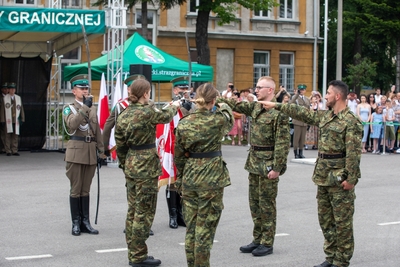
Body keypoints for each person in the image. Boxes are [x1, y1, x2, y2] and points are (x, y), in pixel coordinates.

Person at [259, 80, 362, 267]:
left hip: (339, 179)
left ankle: (341, 261)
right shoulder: (326, 116)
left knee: (342, 223)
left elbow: (354, 154)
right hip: (323, 177)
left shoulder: (350, 121)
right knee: (326, 221)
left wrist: (351, 179)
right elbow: (302, 113)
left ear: (337, 96)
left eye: (329, 93)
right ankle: (330, 256)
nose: (326, 96)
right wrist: (276, 105)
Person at [218, 76, 290, 257]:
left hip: (268, 164)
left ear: (270, 90)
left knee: (267, 204)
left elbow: (282, 143)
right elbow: (234, 105)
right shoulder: (255, 107)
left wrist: (277, 168)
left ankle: (267, 242)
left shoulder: (278, 113)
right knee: (255, 204)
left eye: (259, 87)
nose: (255, 90)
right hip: (254, 162)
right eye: (256, 87)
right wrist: (211, 97)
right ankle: (257, 238)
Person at [114, 79, 180, 267]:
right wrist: (175, 105)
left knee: (133, 210)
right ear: (145, 94)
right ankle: (138, 256)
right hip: (146, 167)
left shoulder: (124, 114)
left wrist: (125, 164)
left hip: (132, 164)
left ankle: (133, 251)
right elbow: (166, 116)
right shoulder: (147, 112)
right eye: (148, 92)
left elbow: (120, 145)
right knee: (145, 212)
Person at [174, 83, 233, 267]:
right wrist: (222, 102)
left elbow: (178, 156)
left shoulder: (184, 123)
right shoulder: (218, 120)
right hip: (211, 180)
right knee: (205, 231)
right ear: (213, 100)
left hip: (190, 177)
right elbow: (229, 115)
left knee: (192, 229)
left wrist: (181, 180)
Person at [102, 74, 155, 236]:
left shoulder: (127, 106)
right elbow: (108, 127)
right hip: (143, 155)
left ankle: (135, 224)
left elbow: (108, 128)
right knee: (141, 194)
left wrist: (109, 152)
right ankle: (140, 225)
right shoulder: (127, 106)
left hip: (131, 156)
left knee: (135, 193)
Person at [62, 74, 104, 236]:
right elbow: (72, 124)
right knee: (76, 189)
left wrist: (101, 151)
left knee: (86, 190)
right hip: (76, 151)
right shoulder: (69, 108)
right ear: (74, 91)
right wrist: (85, 107)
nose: (85, 91)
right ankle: (76, 223)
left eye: (86, 88)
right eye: (82, 88)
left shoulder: (92, 108)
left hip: (90, 152)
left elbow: (97, 131)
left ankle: (85, 222)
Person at [3, 82, 25, 156]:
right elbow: (2, 110)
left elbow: (21, 109)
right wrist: (2, 120)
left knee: (15, 135)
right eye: (11, 89)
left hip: (16, 119)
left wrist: (22, 118)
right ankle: (8, 150)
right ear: (8, 90)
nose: (12, 90)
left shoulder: (18, 98)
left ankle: (14, 150)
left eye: (14, 89)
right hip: (8, 119)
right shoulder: (5, 98)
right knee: (7, 135)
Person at [290, 84, 310, 158]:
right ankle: (296, 153)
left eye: (303, 90)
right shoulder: (296, 98)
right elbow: (291, 102)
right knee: (296, 138)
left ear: (305, 90)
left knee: (302, 138)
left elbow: (308, 110)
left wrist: (309, 121)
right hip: (298, 120)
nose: (302, 91)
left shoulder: (307, 99)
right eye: (300, 90)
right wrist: (297, 94)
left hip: (304, 121)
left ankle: (301, 152)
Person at [0, 83, 9, 154]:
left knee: (6, 134)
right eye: (5, 89)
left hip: (7, 118)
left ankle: (5, 148)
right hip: (1, 116)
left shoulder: (10, 97)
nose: (6, 90)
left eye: (7, 89)